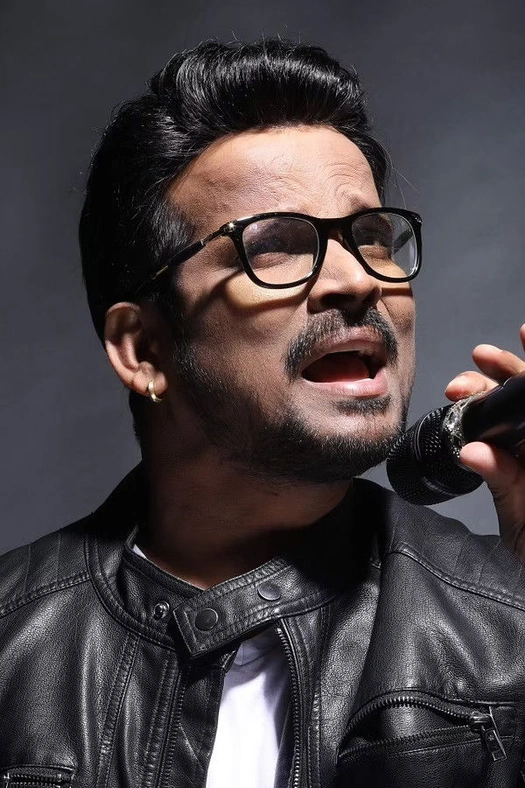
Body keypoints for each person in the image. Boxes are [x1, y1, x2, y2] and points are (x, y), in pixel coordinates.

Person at [1, 38, 525, 788]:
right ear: (143, 349)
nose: (357, 281)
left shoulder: (508, 622)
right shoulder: (13, 645)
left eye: (371, 237)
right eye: (275, 247)